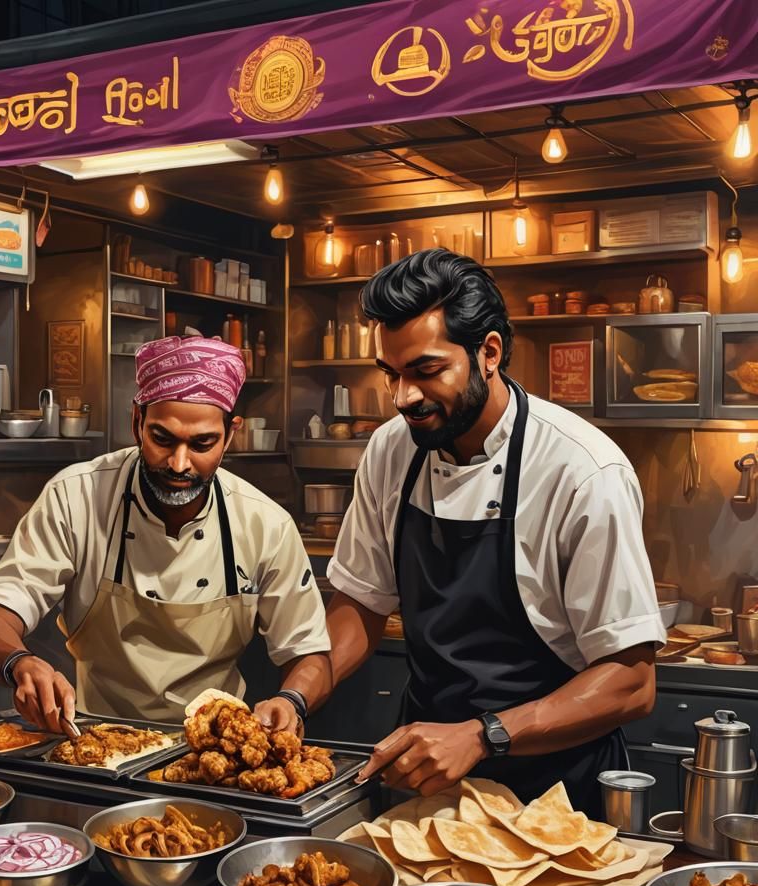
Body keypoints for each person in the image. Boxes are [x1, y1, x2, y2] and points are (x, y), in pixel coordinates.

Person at [257, 249, 665, 818]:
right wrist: (296, 695)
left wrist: (481, 736)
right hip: (425, 783)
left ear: (489, 352)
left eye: (425, 371)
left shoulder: (582, 472)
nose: (403, 398)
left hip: (556, 796)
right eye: (391, 375)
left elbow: (632, 681)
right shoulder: (392, 449)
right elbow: (361, 606)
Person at [0, 335, 330, 735]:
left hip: (211, 748)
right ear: (137, 421)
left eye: (202, 443)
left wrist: (292, 699)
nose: (179, 464)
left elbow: (308, 653)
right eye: (162, 439)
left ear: (231, 434)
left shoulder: (266, 524)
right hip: (96, 740)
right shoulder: (76, 497)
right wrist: (20, 662)